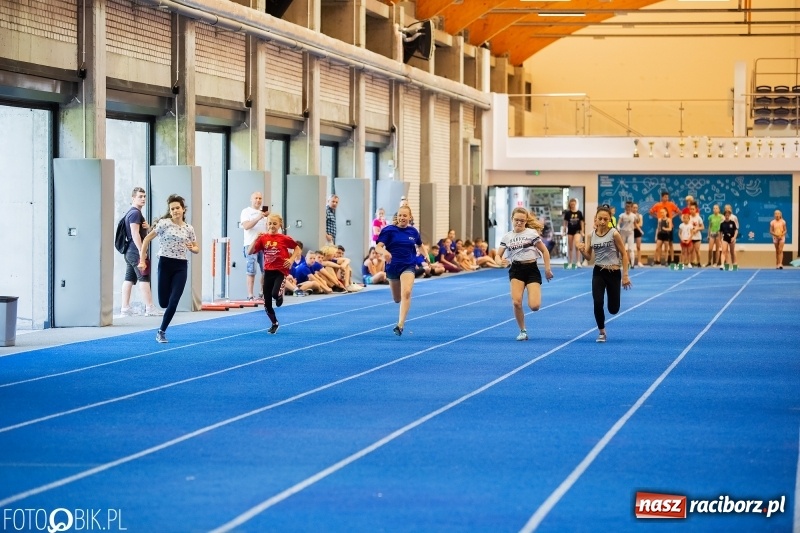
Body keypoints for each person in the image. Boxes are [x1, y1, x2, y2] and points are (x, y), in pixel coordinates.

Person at [138, 194, 199, 343]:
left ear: (183, 209)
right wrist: (142, 259)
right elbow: (146, 239)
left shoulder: (188, 228)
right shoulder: (164, 224)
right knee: (164, 302)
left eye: (177, 208)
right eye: (172, 209)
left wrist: (193, 248)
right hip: (165, 264)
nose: (175, 211)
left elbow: (196, 248)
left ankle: (161, 331)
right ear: (170, 211)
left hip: (181, 266)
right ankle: (163, 320)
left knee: (173, 301)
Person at [575, 205, 632, 343]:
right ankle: (601, 331)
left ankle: (611, 309)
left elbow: (624, 254)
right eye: (599, 218)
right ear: (595, 219)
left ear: (609, 220)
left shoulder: (614, 233)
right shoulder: (590, 235)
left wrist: (625, 275)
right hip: (598, 272)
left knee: (613, 309)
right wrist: (582, 250)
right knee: (598, 301)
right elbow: (588, 257)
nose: (602, 221)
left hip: (614, 272)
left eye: (605, 219)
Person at [496, 207, 554, 341]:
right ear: (512, 219)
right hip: (516, 269)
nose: (519, 223)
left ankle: (534, 295)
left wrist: (547, 269)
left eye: (522, 221)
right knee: (516, 302)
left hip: (532, 269)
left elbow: (545, 251)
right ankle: (523, 330)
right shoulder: (507, 237)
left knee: (534, 306)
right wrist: (500, 262)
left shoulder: (532, 234)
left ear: (526, 221)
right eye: (516, 220)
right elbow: (497, 256)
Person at [248, 213, 302, 334]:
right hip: (268, 271)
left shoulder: (284, 238)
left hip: (280, 270)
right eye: (270, 223)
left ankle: (279, 295)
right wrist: (255, 238)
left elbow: (297, 248)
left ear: (279, 225)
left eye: (274, 223)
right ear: (266, 225)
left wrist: (291, 259)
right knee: (266, 303)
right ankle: (274, 323)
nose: (272, 226)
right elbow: (250, 251)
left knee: (274, 294)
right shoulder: (263, 238)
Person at [376, 204, 422, 336]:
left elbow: (420, 245)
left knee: (406, 292)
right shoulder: (389, 230)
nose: (402, 218)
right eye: (400, 215)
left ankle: (400, 324)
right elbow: (378, 247)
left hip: (408, 265)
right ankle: (400, 314)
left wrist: (426, 256)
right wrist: (385, 252)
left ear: (409, 217)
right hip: (392, 266)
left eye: (405, 215)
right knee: (397, 299)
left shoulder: (413, 231)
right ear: (397, 216)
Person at [120, 186, 159, 317]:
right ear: (133, 198)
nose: (143, 199)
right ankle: (149, 308)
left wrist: (148, 228)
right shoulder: (135, 213)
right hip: (135, 251)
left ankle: (125, 308)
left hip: (130, 252)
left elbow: (139, 232)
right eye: (140, 196)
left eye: (144, 196)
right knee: (144, 278)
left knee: (129, 278)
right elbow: (135, 234)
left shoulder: (131, 213)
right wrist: (142, 252)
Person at [240, 191, 268, 300]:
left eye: (260, 198)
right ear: (251, 199)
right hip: (251, 244)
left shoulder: (265, 214)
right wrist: (259, 217)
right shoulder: (246, 211)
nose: (258, 200)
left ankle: (262, 292)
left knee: (266, 269)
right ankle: (250, 295)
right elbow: (246, 226)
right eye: (256, 198)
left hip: (264, 245)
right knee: (251, 270)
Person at [562, 198, 585, 268]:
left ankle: (578, 261)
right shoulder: (568, 213)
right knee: (570, 247)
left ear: (575, 204)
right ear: (570, 205)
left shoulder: (579, 213)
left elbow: (582, 222)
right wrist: (563, 231)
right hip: (570, 231)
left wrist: (582, 231)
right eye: (571, 204)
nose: (572, 205)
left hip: (577, 230)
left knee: (577, 245)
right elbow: (565, 223)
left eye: (573, 204)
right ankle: (571, 262)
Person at [617, 201, 637, 269]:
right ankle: (620, 263)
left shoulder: (634, 216)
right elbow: (618, 223)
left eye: (629, 207)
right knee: (622, 248)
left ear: (631, 207)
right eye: (627, 207)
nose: (628, 208)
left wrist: (640, 230)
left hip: (630, 233)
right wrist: (618, 227)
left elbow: (636, 224)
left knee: (631, 249)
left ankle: (632, 264)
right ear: (625, 207)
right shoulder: (622, 215)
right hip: (623, 233)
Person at [632, 202, 645, 267]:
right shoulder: (630, 215)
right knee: (630, 248)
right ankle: (630, 262)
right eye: (634, 207)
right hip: (631, 231)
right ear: (631, 208)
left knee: (638, 247)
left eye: (636, 208)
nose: (635, 209)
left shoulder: (640, 216)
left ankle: (639, 262)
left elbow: (641, 224)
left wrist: (635, 225)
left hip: (637, 231)